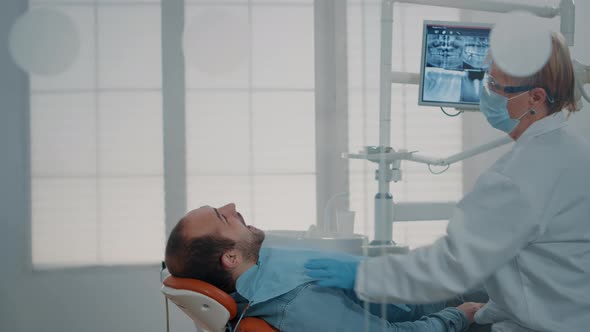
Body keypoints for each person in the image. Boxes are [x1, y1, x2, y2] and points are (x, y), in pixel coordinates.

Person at [305, 31, 590, 332]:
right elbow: (545, 264)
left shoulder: (517, 176)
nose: (486, 92)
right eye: (487, 80)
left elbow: (450, 267)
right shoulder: (574, 149)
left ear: (536, 98)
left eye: (495, 86)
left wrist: (363, 273)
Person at [165, 203, 488, 332]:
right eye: (223, 217)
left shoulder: (262, 267)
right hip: (446, 304)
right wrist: (461, 315)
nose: (232, 207)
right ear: (231, 258)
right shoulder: (295, 302)